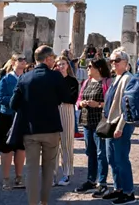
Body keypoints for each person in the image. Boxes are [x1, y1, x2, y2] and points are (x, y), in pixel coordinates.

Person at [10, 45, 76, 205]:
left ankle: (32, 202)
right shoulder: (55, 77)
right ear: (47, 59)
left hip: (31, 129)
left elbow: (13, 103)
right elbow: (66, 96)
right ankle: (44, 201)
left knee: (32, 168)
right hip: (51, 128)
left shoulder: (25, 77)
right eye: (53, 58)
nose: (54, 61)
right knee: (48, 168)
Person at [102, 48, 136, 203]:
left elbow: (127, 106)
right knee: (112, 158)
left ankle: (129, 192)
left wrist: (120, 126)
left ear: (126, 63)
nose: (113, 63)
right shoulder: (117, 77)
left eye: (116, 61)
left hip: (120, 124)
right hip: (111, 122)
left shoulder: (128, 78)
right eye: (111, 60)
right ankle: (118, 188)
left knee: (121, 159)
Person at [75, 58, 112, 196]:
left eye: (90, 66)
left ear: (99, 68)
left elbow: (111, 102)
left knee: (101, 153)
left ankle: (102, 183)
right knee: (90, 152)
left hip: (100, 122)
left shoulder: (107, 82)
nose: (87, 68)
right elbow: (78, 99)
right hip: (86, 121)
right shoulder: (86, 82)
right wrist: (82, 103)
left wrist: (98, 105)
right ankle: (91, 180)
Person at [0, 54, 27, 191]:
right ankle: (6, 178)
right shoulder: (6, 79)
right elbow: (0, 98)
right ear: (13, 62)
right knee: (6, 148)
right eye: (20, 59)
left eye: (25, 59)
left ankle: (19, 177)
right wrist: (16, 101)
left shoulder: (27, 78)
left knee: (21, 148)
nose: (23, 61)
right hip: (7, 116)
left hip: (22, 117)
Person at [52, 53, 79, 187]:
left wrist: (59, 97)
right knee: (52, 144)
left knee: (67, 143)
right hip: (54, 111)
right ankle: (52, 174)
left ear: (68, 65)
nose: (61, 66)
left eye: (63, 63)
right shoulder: (53, 80)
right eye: (58, 64)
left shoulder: (72, 81)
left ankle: (67, 173)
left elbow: (71, 99)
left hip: (67, 111)